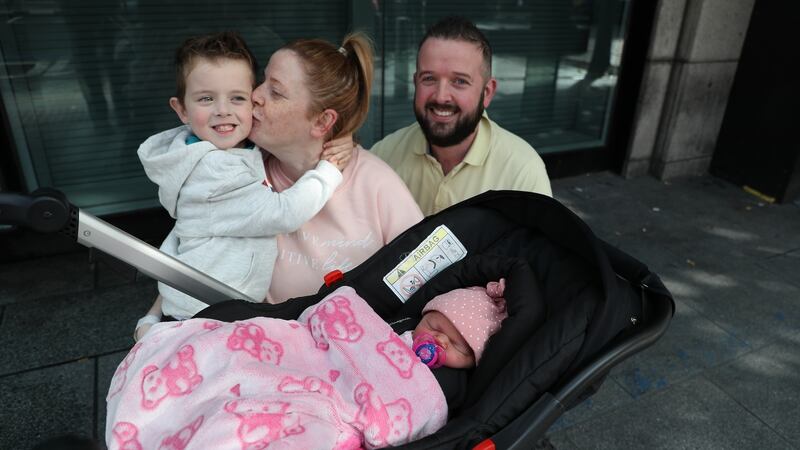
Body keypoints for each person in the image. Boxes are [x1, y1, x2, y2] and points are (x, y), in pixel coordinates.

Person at [106, 281, 507, 448]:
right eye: (436, 325)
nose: (438, 340)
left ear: (472, 362)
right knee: (232, 361)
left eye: (456, 345)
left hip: (343, 404)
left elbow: (405, 412)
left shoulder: (444, 390)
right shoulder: (395, 331)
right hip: (310, 360)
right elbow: (338, 328)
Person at [135, 32, 349, 330]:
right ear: (181, 109)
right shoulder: (213, 171)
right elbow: (284, 213)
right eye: (206, 99)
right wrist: (329, 170)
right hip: (206, 312)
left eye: (237, 98)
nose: (223, 110)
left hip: (205, 300)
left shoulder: (208, 146)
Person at [251, 33, 424, 302]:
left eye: (275, 91)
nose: (255, 95)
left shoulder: (376, 183)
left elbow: (425, 278)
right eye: (262, 81)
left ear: (322, 122)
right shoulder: (242, 172)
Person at [368, 16, 553, 216]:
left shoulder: (522, 173)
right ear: (415, 83)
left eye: (460, 81)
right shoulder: (384, 155)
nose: (441, 96)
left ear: (487, 93)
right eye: (429, 78)